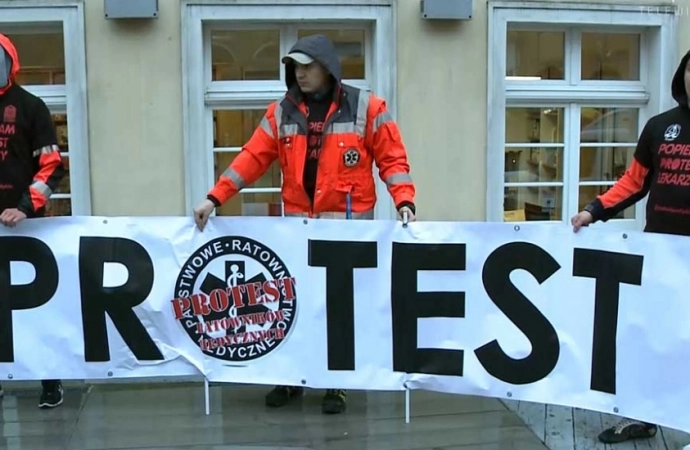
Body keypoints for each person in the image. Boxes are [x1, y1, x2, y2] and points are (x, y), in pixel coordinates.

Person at [193, 34, 416, 414]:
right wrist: (215, 197)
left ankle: (337, 383)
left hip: (348, 233)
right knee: (291, 306)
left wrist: (405, 201)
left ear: (328, 68)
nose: (300, 73)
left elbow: (392, 160)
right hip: (298, 231)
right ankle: (291, 377)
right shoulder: (281, 113)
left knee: (340, 310)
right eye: (295, 67)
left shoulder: (368, 107)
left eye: (307, 66)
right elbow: (252, 158)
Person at [571, 49, 690, 444]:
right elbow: (634, 183)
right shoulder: (660, 127)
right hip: (660, 254)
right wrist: (593, 210)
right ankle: (642, 416)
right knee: (646, 337)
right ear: (683, 76)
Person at [0, 33, 66, 409]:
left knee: (39, 308)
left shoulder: (31, 107)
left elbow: (51, 166)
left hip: (29, 229)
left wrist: (26, 206)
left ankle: (50, 382)